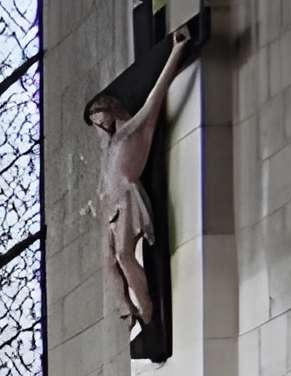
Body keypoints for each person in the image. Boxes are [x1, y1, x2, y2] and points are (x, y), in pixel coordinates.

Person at [88, 22, 199, 342]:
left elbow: (156, 95)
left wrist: (177, 50)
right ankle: (126, 310)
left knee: (124, 256)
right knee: (108, 262)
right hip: (112, 204)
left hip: (128, 197)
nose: (98, 125)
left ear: (110, 110)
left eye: (99, 117)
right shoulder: (110, 145)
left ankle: (147, 310)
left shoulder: (135, 128)